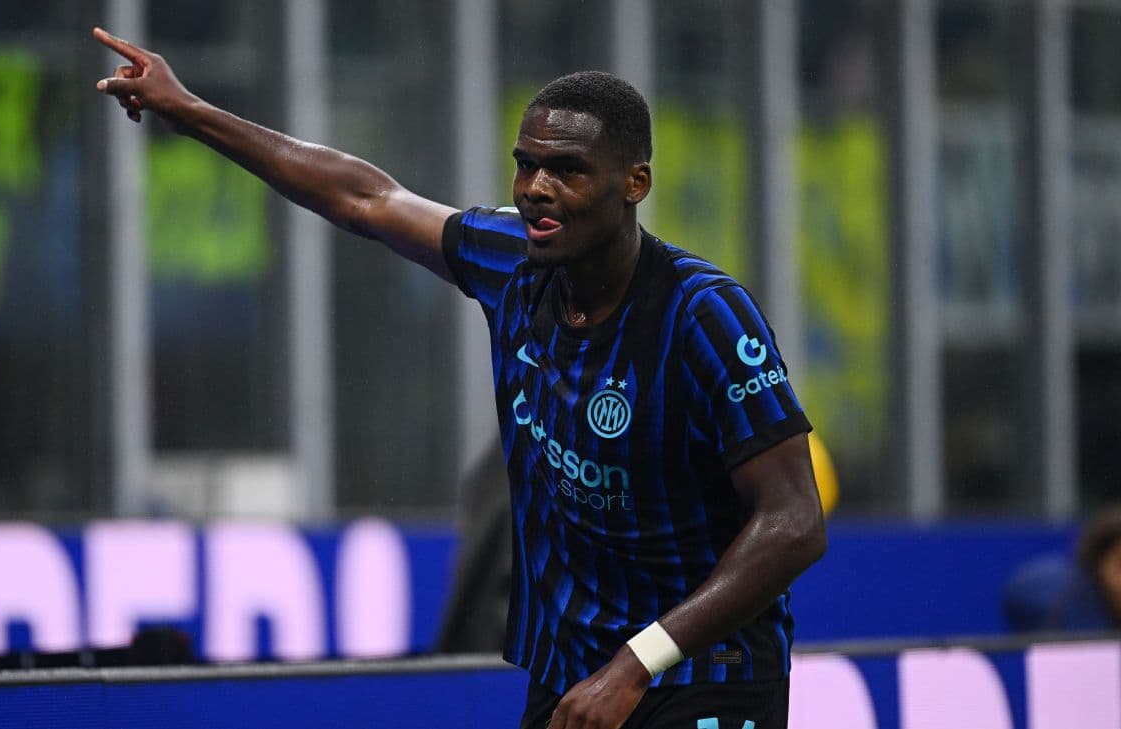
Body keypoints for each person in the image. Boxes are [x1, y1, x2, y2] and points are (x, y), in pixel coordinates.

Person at [93, 27, 826, 728]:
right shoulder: (511, 262)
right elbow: (365, 198)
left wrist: (638, 662)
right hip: (573, 673)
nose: (537, 188)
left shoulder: (703, 314)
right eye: (526, 165)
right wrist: (191, 112)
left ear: (635, 183)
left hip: (702, 672)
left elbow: (795, 522)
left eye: (568, 171)